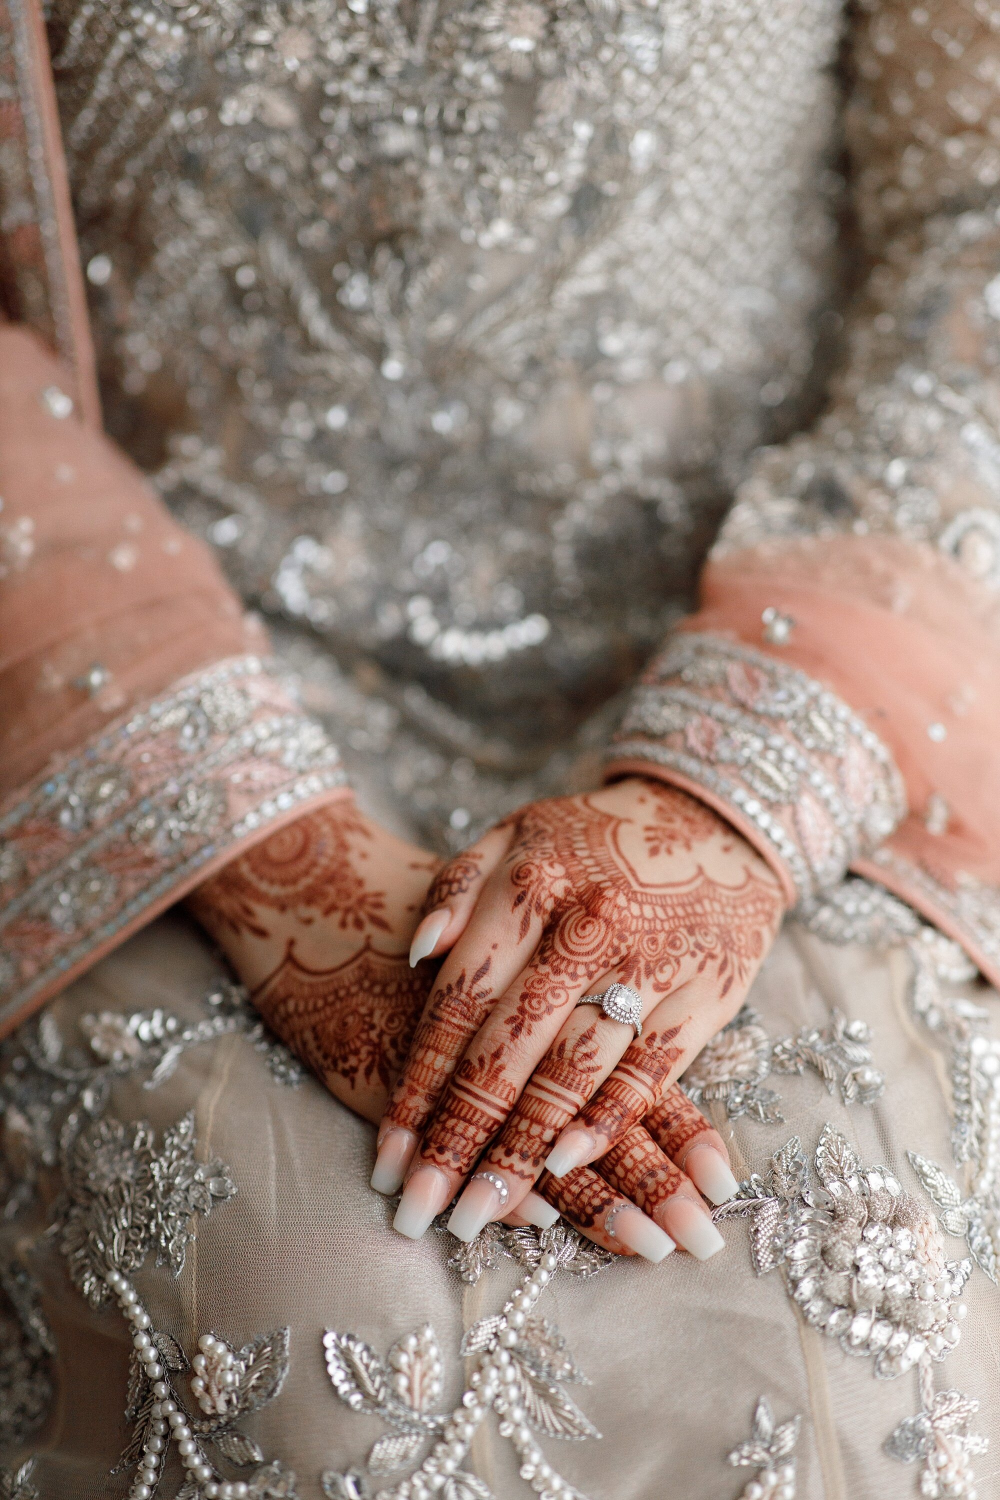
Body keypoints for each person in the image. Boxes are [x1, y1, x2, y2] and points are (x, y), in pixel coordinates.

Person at [1, 0, 1000, 1495]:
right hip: (133, 648)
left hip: (799, 623)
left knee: (840, 1279)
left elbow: (976, 219)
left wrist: (734, 787)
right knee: (290, 1328)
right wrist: (266, 847)